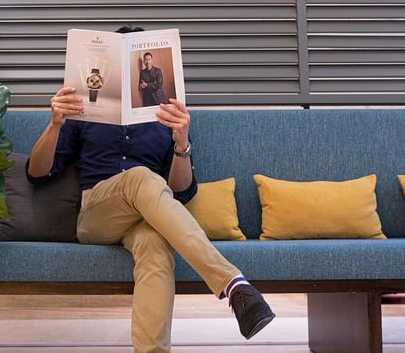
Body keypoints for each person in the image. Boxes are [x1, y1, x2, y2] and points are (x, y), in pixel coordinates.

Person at [27, 27, 275, 353]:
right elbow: (37, 173)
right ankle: (233, 283)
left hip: (146, 215)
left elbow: (180, 192)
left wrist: (181, 143)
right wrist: (55, 123)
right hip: (97, 213)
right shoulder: (84, 109)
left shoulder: (164, 115)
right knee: (141, 177)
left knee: (157, 245)